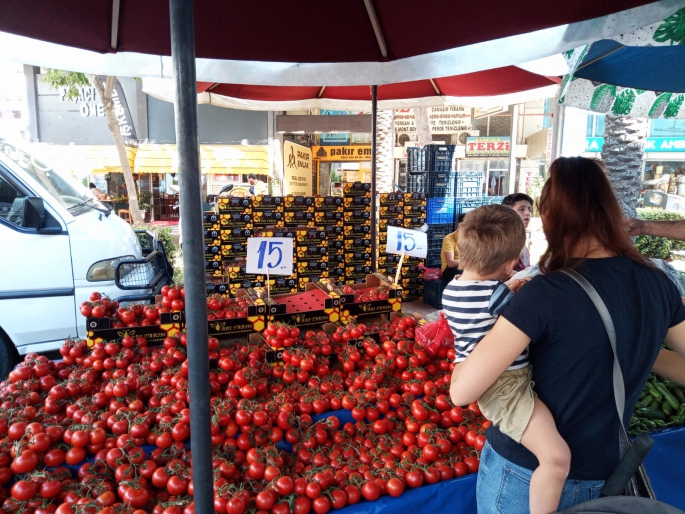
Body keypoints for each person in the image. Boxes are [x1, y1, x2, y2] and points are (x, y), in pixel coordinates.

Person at [450, 156, 685, 514]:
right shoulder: (658, 283)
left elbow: (462, 392)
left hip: (523, 475)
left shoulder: (543, 293)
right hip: (604, 472)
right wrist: (635, 345)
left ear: (550, 218)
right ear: (608, 210)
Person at [443, 205, 570, 514]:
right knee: (556, 458)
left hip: (481, 374)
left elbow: (484, 305)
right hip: (507, 387)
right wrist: (512, 290)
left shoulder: (451, 290)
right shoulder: (497, 295)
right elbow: (519, 316)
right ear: (511, 262)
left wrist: (506, 288)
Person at [502, 193, 533, 272]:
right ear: (508, 213)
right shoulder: (502, 243)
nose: (527, 213)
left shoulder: (524, 248)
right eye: (521, 209)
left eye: (529, 209)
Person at [441, 213, 466, 285]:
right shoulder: (449, 239)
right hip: (450, 270)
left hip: (467, 267)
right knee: (461, 272)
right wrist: (469, 263)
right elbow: (450, 263)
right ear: (459, 225)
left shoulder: (472, 239)